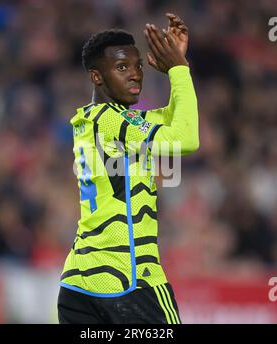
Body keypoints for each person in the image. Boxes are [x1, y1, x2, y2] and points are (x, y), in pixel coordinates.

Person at [57, 13, 199, 324]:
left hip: (80, 282)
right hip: (127, 279)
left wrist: (178, 66)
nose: (135, 74)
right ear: (97, 76)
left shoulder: (98, 119)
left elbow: (173, 122)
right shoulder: (110, 121)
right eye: (122, 68)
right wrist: (179, 70)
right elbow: (185, 139)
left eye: (138, 66)